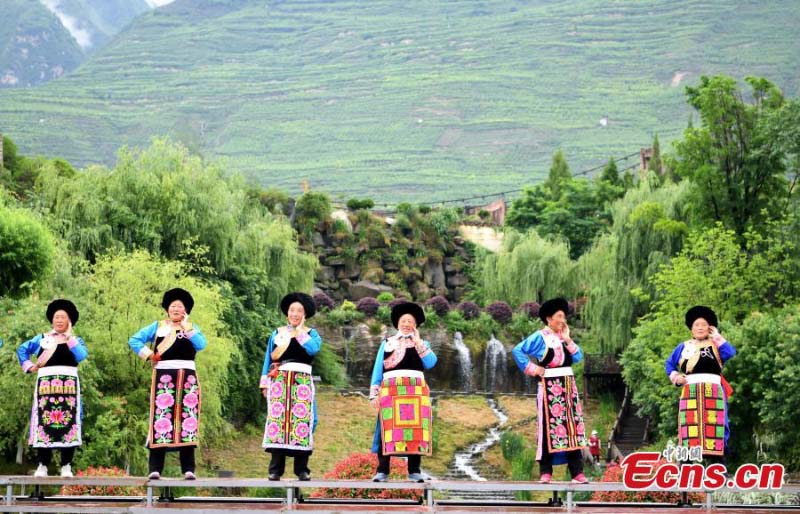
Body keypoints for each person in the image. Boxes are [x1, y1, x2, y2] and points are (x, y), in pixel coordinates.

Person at [128, 288, 207, 480]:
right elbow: (134, 340)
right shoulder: (157, 327)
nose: (176, 309)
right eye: (173, 306)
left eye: (180, 306)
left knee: (188, 419)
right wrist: (148, 355)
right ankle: (155, 468)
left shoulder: (191, 328)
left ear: (186, 310)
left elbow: (201, 345)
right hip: (164, 377)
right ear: (167, 309)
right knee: (161, 419)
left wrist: (188, 327)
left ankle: (188, 469)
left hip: (187, 378)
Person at [512, 297, 588, 484]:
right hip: (548, 387)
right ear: (549, 319)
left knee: (572, 427)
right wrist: (533, 368)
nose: (563, 320)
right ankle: (546, 472)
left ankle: (577, 472)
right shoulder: (540, 337)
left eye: (564, 317)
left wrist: (568, 339)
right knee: (548, 427)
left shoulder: (565, 338)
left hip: (568, 387)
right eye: (559, 316)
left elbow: (578, 357)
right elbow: (517, 350)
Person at [17, 299, 88, 478]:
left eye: (63, 317)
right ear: (52, 320)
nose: (59, 320)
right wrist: (29, 365)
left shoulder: (76, 340)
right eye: (56, 317)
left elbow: (81, 356)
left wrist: (69, 338)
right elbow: (22, 350)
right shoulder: (42, 339)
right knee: (43, 423)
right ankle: (42, 465)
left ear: (69, 321)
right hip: (45, 388)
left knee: (69, 424)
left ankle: (66, 465)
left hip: (69, 388)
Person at [369, 302, 437, 483]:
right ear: (398, 323)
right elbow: (378, 370)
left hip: (415, 392)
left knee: (416, 431)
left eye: (410, 321)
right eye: (404, 320)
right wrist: (374, 394)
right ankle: (382, 470)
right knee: (386, 429)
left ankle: (414, 470)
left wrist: (418, 342)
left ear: (415, 325)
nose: (406, 324)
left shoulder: (422, 344)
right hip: (391, 392)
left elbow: (431, 363)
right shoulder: (387, 343)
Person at [260, 292, 322, 481]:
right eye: (292, 310)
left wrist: (300, 333)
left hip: (302, 381)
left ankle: (301, 469)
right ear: (287, 313)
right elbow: (269, 357)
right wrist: (264, 383)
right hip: (280, 380)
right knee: (278, 422)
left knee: (301, 422)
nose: (295, 314)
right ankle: (275, 470)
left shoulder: (312, 334)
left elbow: (313, 349)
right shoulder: (278, 334)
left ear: (305, 314)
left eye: (299, 311)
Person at [665, 306, 735, 463]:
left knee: (715, 431)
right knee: (690, 432)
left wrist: (717, 336)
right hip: (690, 393)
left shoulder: (716, 345)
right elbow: (669, 364)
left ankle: (718, 474)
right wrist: (677, 378)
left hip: (713, 393)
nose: (700, 328)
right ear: (691, 329)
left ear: (709, 327)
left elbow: (730, 353)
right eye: (697, 325)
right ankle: (686, 474)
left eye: (703, 324)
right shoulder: (682, 347)